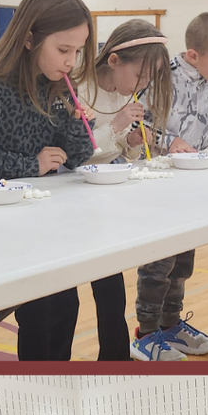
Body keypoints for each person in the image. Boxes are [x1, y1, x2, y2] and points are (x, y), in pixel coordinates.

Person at [0, 0, 96, 361]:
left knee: (58, 311)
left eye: (77, 51)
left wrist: (80, 122)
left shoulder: (59, 87)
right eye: (64, 49)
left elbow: (77, 156)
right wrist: (33, 165)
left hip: (45, 223)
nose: (71, 61)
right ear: (29, 38)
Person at [130, 11, 208, 361]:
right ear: (193, 54)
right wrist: (170, 140)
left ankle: (171, 324)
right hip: (160, 180)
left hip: (194, 181)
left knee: (183, 260)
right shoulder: (162, 77)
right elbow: (136, 124)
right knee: (158, 262)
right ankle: (146, 332)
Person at [79, 19, 174, 361]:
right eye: (140, 76)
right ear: (114, 61)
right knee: (75, 296)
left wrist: (131, 141)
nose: (143, 85)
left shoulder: (121, 93)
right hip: (75, 198)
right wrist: (117, 126)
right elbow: (80, 153)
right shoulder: (81, 90)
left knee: (111, 289)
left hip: (103, 199)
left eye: (149, 79)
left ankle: (114, 357)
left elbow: (112, 153)